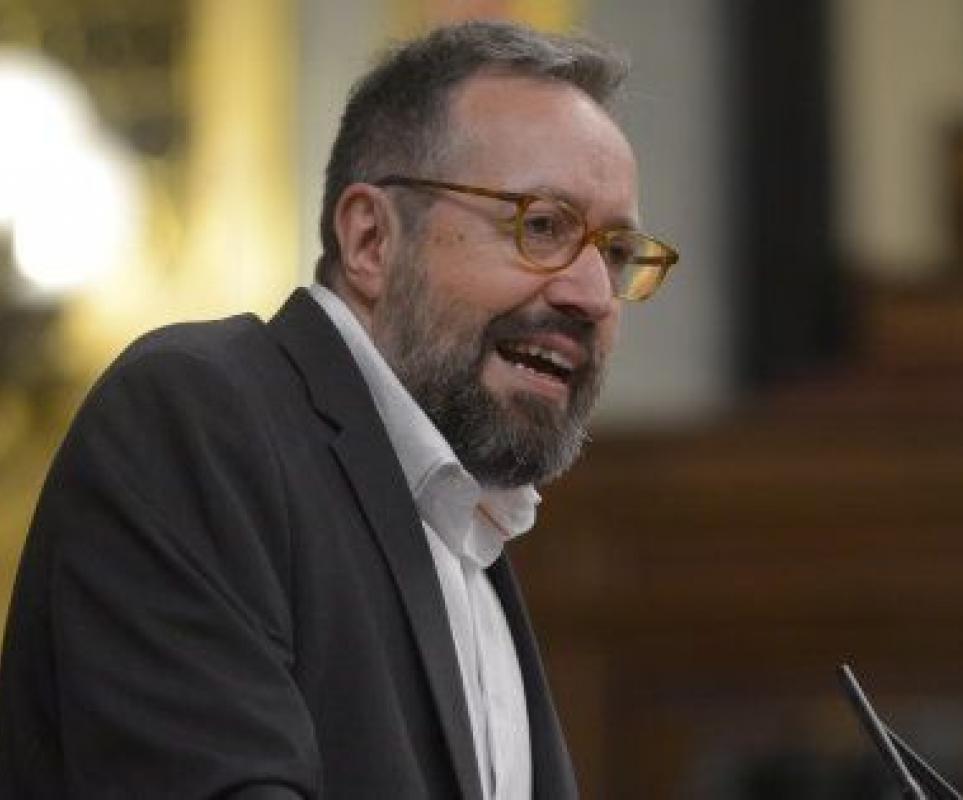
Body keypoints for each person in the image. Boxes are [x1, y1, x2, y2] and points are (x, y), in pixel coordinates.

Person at [0, 20, 677, 799]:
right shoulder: (196, 419)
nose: (592, 295)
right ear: (369, 240)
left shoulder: (468, 530)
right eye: (543, 227)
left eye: (615, 255)